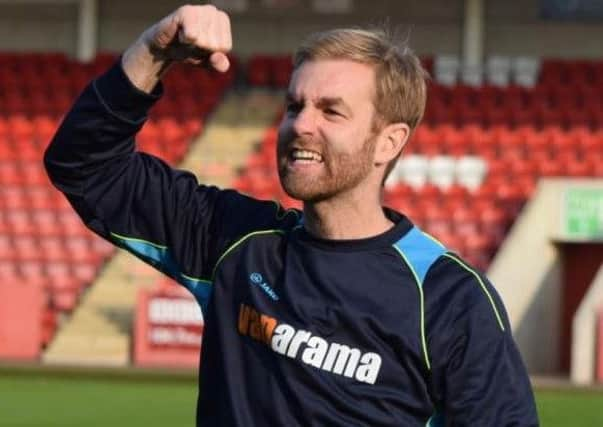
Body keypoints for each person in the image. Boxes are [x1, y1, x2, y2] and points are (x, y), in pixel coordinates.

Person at [44, 4, 539, 426]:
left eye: (331, 111)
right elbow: (85, 166)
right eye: (294, 105)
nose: (301, 125)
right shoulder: (234, 240)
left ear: (389, 141)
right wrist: (154, 51)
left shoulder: (449, 297)